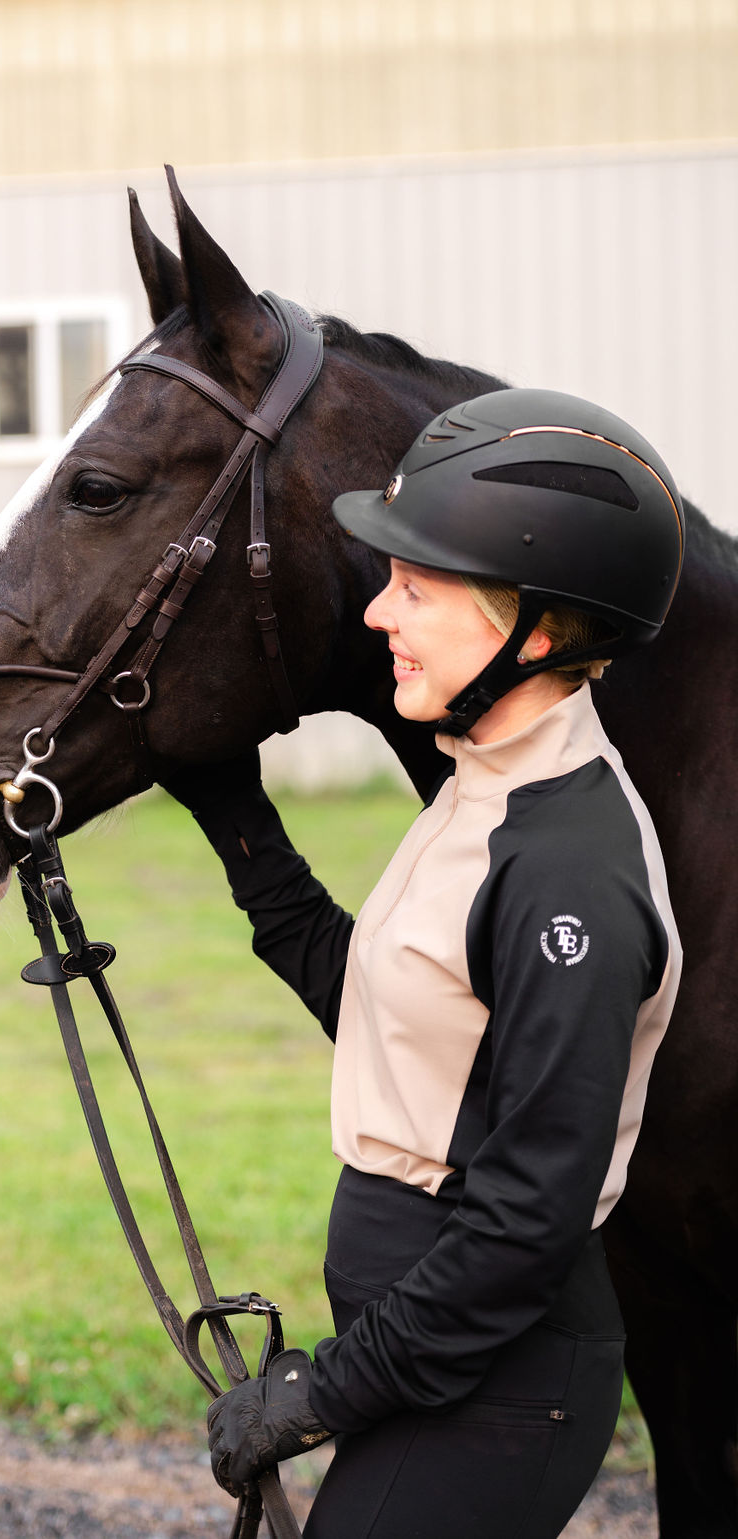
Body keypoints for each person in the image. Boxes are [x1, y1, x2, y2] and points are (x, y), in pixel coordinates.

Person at [164, 388, 685, 1538]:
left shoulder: (568, 873)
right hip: (433, 1362)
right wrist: (232, 815)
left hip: (501, 1382)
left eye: (417, 587)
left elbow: (524, 1221)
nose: (378, 613)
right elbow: (386, 1012)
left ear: (539, 632)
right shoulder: (488, 790)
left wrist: (315, 1396)